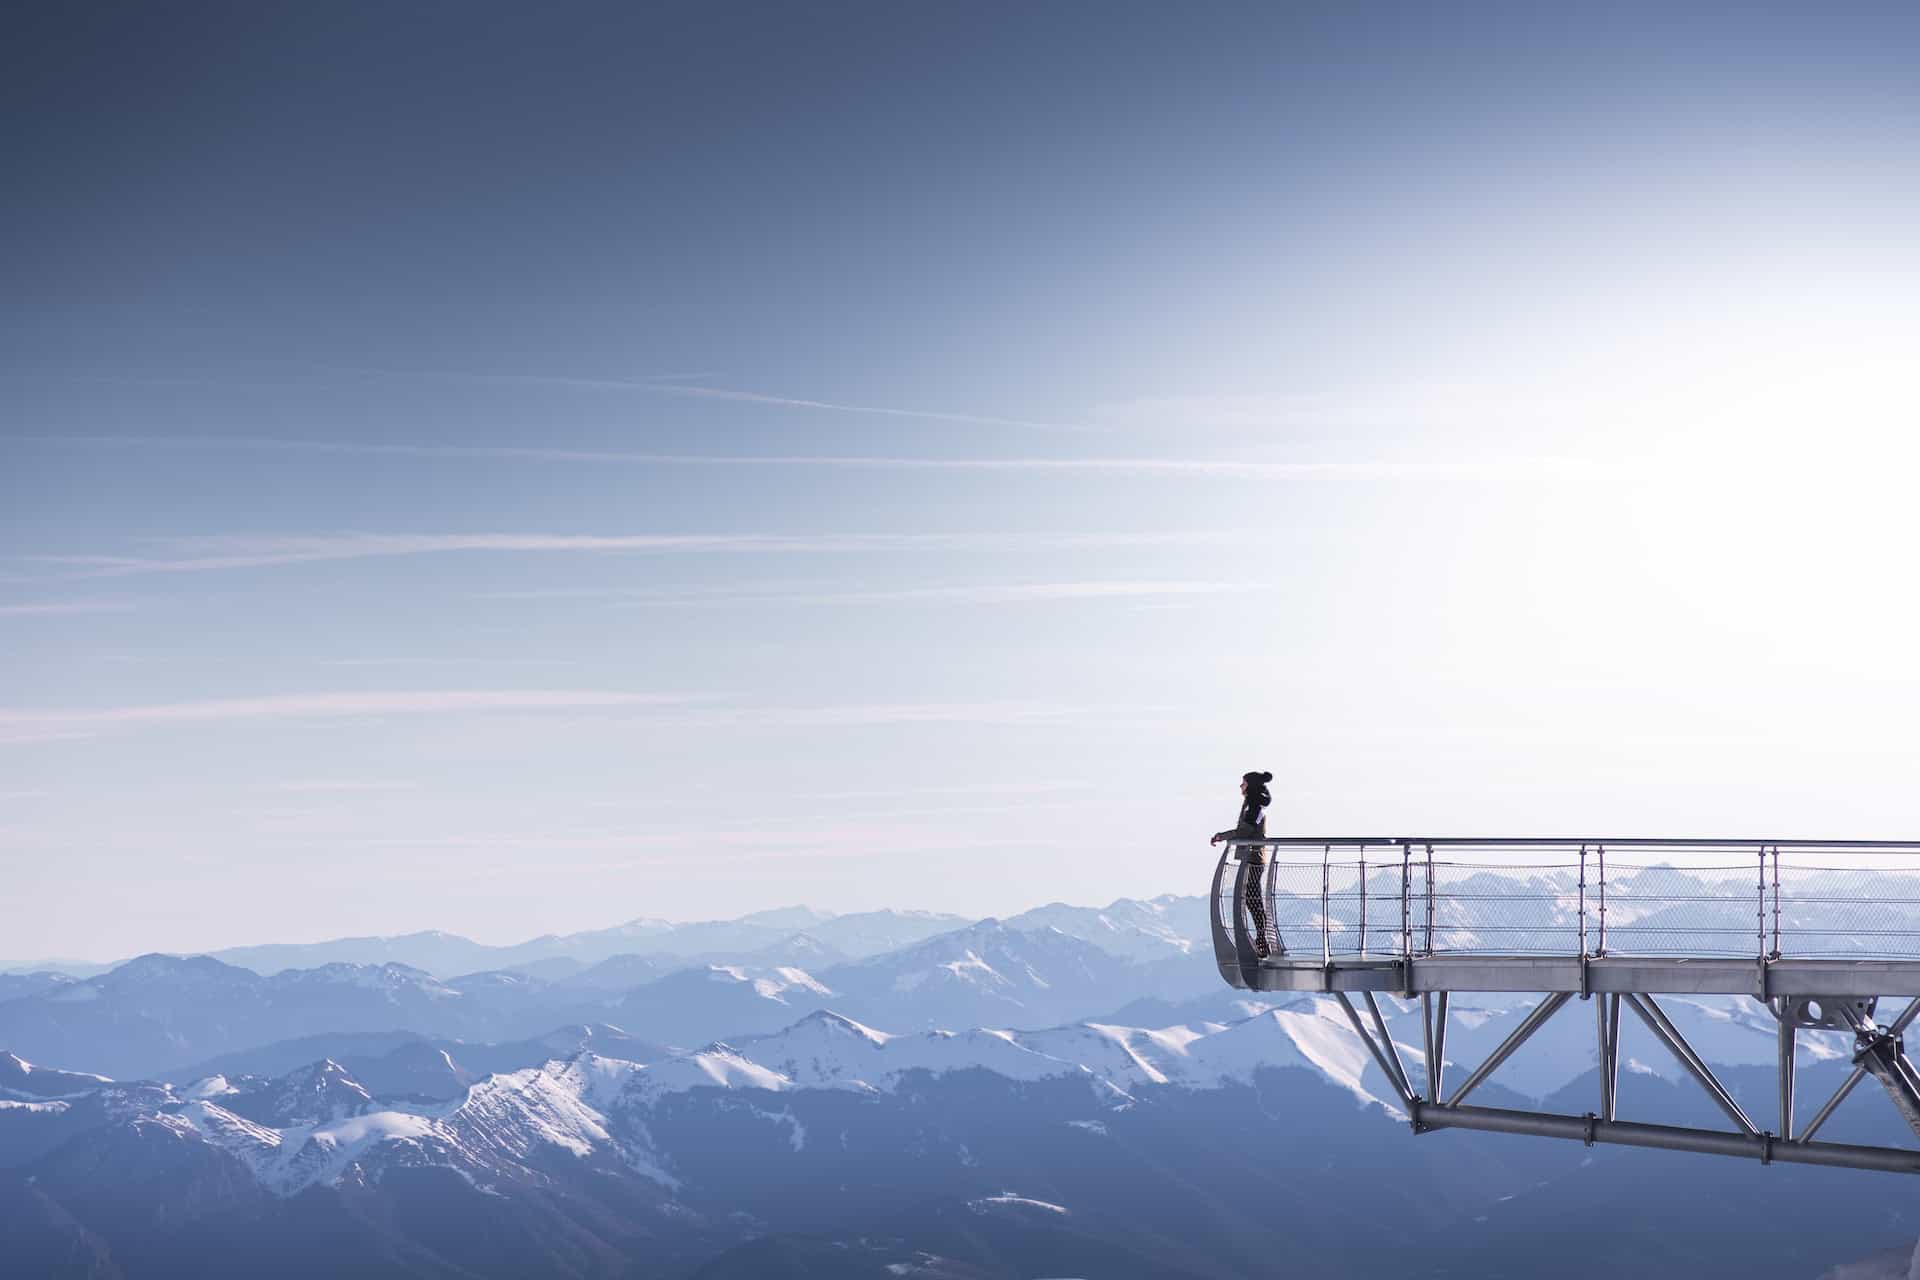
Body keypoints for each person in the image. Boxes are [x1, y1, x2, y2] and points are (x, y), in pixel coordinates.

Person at [1211, 770, 1280, 958]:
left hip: (1253, 859)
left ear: (1251, 786)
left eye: (1244, 783)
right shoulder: (1253, 806)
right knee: (1252, 899)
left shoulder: (1254, 808)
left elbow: (1244, 832)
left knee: (1252, 899)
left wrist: (1222, 836)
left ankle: (1262, 940)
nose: (1241, 786)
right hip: (1253, 858)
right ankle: (1261, 940)